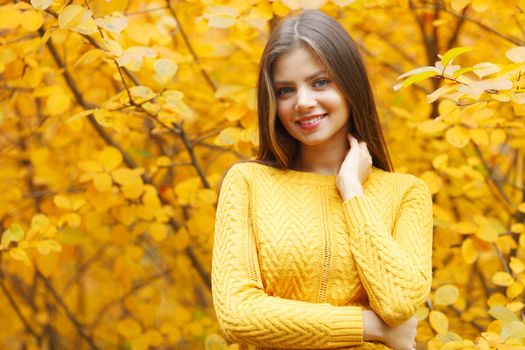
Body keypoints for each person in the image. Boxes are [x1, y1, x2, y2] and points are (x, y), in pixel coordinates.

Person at [211, 9, 433, 350]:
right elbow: (237, 315)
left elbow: (399, 303)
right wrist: (369, 327)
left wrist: (353, 191)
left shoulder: (406, 194)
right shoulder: (248, 183)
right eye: (285, 90)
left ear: (350, 85)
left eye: (320, 82)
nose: (303, 102)